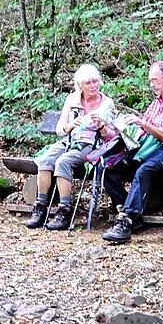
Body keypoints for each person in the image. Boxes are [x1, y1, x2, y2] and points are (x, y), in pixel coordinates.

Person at [101, 61, 163, 242]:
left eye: (155, 80)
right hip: (148, 147)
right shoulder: (155, 104)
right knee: (110, 168)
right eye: (150, 81)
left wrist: (142, 122)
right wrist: (124, 130)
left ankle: (126, 221)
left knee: (145, 170)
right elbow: (142, 133)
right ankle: (133, 212)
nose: (152, 84)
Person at [26, 64, 115, 230]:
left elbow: (112, 136)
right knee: (45, 161)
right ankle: (40, 207)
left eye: (95, 81)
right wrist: (71, 125)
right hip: (69, 140)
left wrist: (101, 127)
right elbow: (60, 130)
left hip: (91, 144)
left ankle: (64, 210)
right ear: (80, 85)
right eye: (88, 83)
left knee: (63, 162)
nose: (93, 86)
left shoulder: (107, 104)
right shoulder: (73, 99)